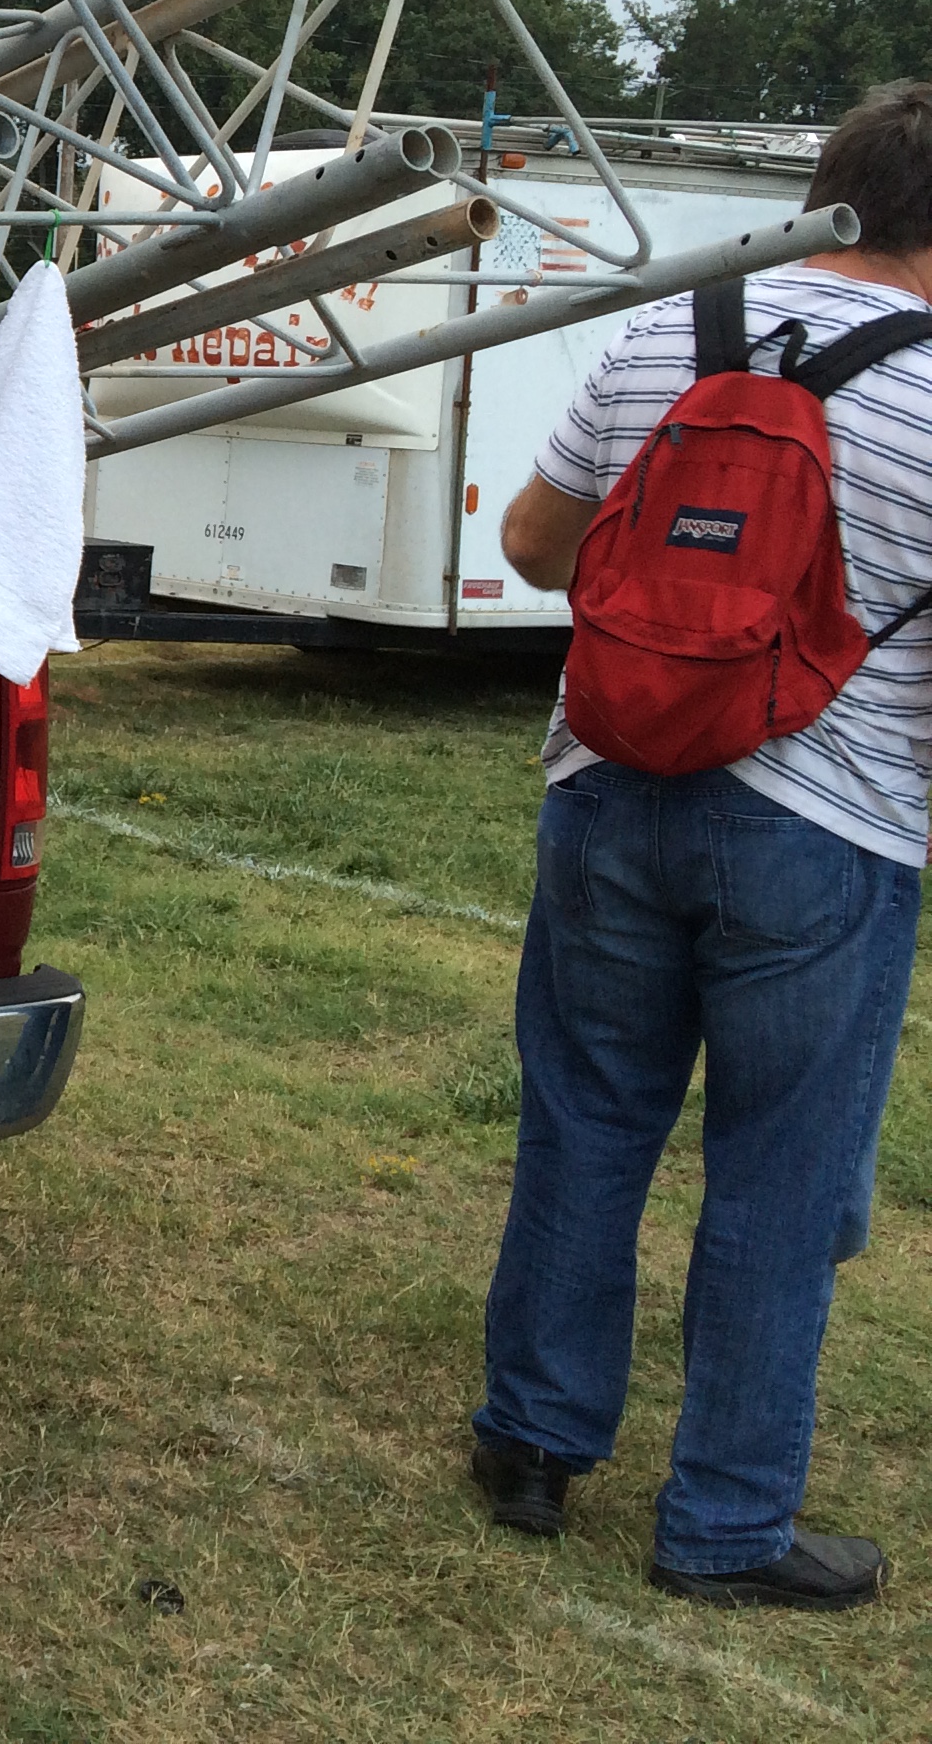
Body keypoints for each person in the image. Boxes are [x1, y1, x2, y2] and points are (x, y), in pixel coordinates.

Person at [470, 77, 932, 1610]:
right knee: (779, 1174)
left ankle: (532, 1448)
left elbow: (532, 542)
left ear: (828, 190)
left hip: (606, 787)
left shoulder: (671, 327)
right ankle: (727, 1526)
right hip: (826, 825)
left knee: (587, 1119)